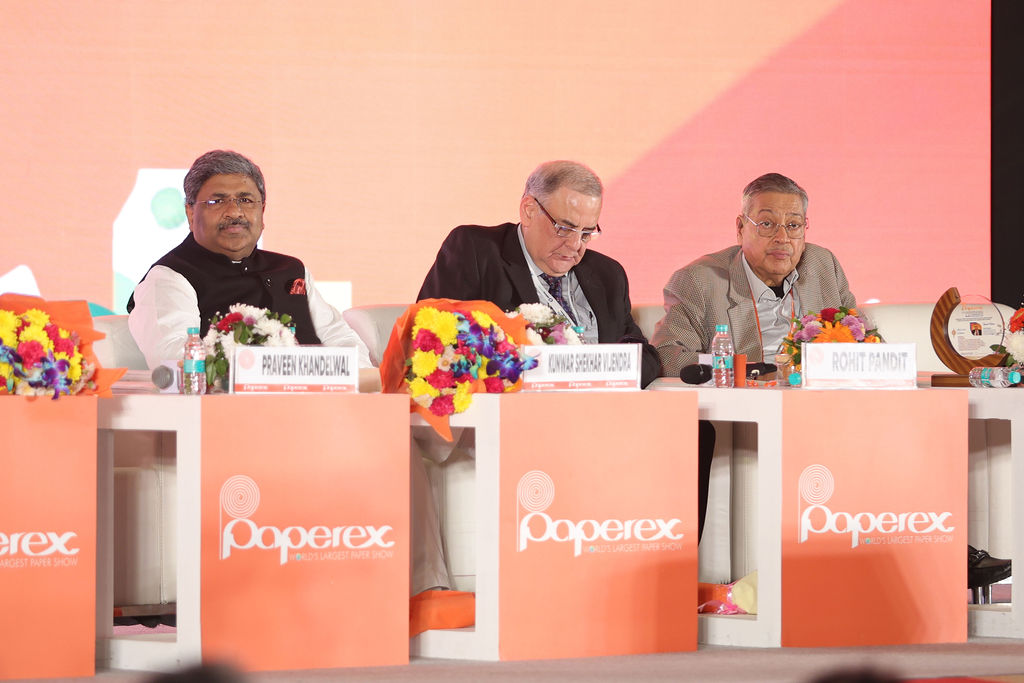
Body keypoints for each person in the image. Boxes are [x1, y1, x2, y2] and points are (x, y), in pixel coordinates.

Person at [653, 171, 1010, 590]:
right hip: (761, 410)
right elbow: (668, 356)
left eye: (794, 225)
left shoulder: (823, 265)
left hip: (832, 404)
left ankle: (938, 550)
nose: (782, 237)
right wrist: (753, 371)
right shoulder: (699, 280)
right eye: (766, 223)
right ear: (740, 227)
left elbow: (866, 337)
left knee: (909, 421)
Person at [417, 159, 661, 387]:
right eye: (564, 228)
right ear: (529, 210)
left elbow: (644, 356)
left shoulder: (607, 274)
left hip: (599, 409)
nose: (576, 245)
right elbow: (431, 339)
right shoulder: (477, 252)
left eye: (587, 233)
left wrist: (597, 370)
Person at [127, 150, 369, 369]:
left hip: (318, 397)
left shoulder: (291, 269)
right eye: (217, 201)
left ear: (262, 211)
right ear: (190, 213)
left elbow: (341, 338)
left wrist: (360, 378)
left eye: (245, 200)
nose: (234, 212)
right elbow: (176, 360)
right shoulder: (169, 277)